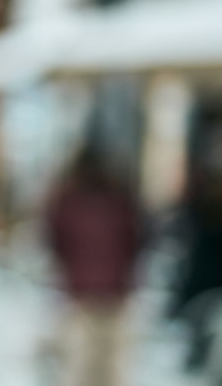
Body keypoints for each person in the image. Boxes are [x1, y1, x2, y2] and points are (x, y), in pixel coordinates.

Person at [44, 149, 145, 386]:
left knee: (79, 370)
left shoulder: (67, 203)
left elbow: (55, 241)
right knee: (112, 371)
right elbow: (137, 241)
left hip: (80, 293)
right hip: (115, 293)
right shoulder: (122, 203)